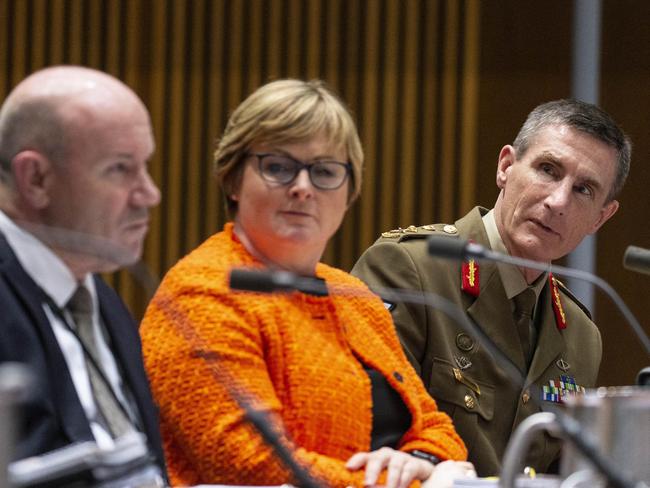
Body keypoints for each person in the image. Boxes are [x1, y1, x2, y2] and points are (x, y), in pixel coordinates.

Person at [140, 79, 475, 487]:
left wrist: (422, 458)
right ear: (232, 179)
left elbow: (437, 427)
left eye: (324, 171)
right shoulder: (201, 293)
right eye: (278, 167)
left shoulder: (354, 298)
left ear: (349, 191)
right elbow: (251, 466)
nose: (303, 188)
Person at [352, 99, 631, 476]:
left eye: (583, 190)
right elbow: (364, 439)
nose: (557, 201)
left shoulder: (581, 337)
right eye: (548, 170)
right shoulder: (410, 270)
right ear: (506, 166)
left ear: (600, 217)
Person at [0, 66, 166, 476]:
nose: (150, 194)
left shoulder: (100, 298)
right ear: (36, 179)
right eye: (120, 169)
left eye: (145, 166)